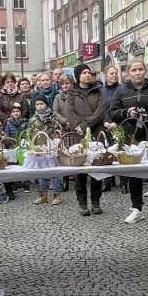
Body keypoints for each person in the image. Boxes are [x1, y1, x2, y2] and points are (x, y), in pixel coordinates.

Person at [112, 58, 148, 223]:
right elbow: (112, 111)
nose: (137, 73)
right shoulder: (121, 91)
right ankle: (136, 208)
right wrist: (126, 112)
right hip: (131, 137)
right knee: (134, 174)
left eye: (140, 70)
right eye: (134, 70)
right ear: (128, 73)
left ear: (145, 71)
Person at [55, 63, 107, 215]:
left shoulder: (98, 91)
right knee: (81, 169)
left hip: (96, 131)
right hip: (79, 134)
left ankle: (96, 201)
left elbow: (100, 111)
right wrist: (79, 127)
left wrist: (85, 125)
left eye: (89, 72)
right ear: (78, 76)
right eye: (84, 73)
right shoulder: (72, 93)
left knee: (97, 168)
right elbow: (69, 113)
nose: (87, 75)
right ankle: (82, 203)